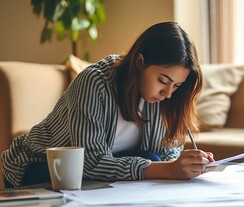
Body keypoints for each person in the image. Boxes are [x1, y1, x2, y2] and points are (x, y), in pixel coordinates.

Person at [1, 21, 215, 188]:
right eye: (163, 81)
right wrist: (167, 170)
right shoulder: (94, 82)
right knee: (149, 161)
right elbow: (90, 161)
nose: (168, 93)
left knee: (151, 159)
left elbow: (165, 154)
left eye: (176, 85)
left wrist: (187, 165)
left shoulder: (163, 99)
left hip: (93, 172)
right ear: (139, 63)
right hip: (42, 165)